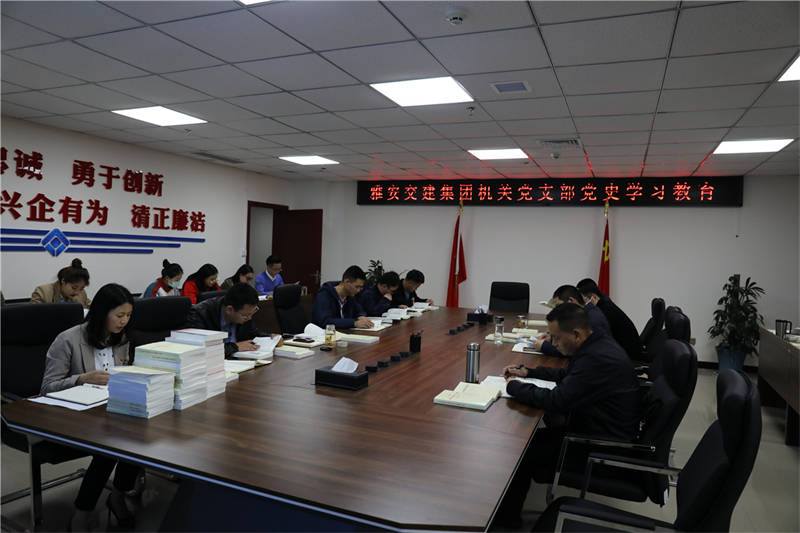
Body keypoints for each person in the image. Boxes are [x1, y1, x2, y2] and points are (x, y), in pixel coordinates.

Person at [495, 303, 640, 527]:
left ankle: (506, 523)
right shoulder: (596, 344)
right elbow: (568, 375)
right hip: (595, 427)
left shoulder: (598, 359)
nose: (553, 343)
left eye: (556, 338)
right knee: (528, 441)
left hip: (601, 446)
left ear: (576, 334)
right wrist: (529, 372)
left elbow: (557, 401)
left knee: (521, 450)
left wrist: (515, 387)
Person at [40, 283, 140, 530]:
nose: (124, 321)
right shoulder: (68, 339)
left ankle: (118, 493)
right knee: (111, 442)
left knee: (140, 435)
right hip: (72, 416)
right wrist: (81, 378)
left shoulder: (121, 338)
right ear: (101, 313)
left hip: (108, 411)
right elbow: (47, 388)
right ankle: (83, 511)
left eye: (128, 315)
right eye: (119, 315)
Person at [185, 283, 267, 358]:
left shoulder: (244, 312)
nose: (249, 318)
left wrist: (270, 337)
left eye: (251, 313)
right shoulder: (199, 314)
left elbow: (254, 334)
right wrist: (234, 347)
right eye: (245, 315)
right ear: (229, 309)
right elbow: (199, 350)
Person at [530, 284, 611, 357]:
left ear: (571, 301)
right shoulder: (586, 312)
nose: (558, 309)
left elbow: (575, 351)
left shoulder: (591, 319)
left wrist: (544, 346)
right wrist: (553, 338)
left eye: (558, 305)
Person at [577, 278, 643, 361]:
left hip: (628, 356)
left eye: (583, 301)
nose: (582, 305)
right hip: (625, 352)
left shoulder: (603, 312)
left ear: (594, 297)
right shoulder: (605, 305)